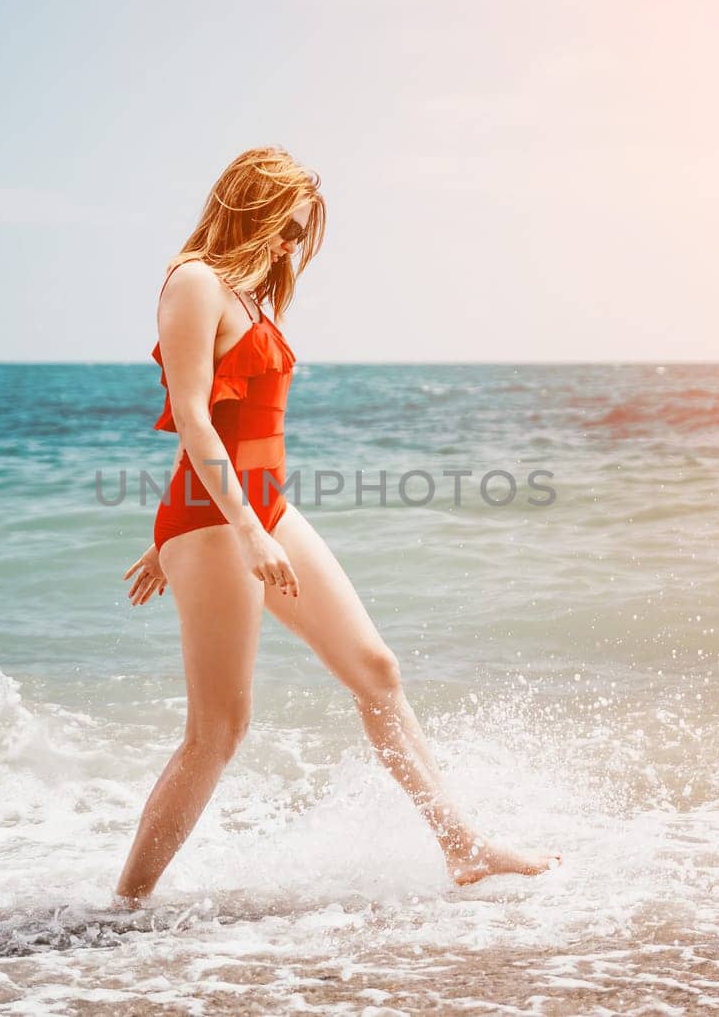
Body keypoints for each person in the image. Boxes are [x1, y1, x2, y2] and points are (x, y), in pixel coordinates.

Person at [115, 147, 560, 907]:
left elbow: (239, 422)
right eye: (283, 229)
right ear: (247, 210)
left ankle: (464, 848)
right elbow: (193, 415)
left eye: (298, 235)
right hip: (227, 522)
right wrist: (230, 533)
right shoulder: (193, 282)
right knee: (218, 733)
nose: (291, 247)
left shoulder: (252, 295)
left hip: (262, 510)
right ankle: (125, 905)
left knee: (376, 671)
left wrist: (230, 528)